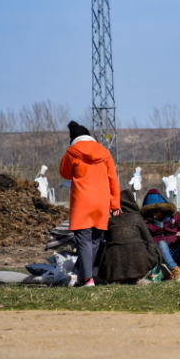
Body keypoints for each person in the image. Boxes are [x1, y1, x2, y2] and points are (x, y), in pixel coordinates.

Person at [59, 121, 121, 287]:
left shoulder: (72, 152)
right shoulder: (104, 152)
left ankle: (87, 279)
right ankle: (84, 277)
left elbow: (64, 173)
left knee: (83, 240)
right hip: (101, 202)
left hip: (82, 202)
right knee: (94, 240)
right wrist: (115, 204)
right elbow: (113, 180)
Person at [97, 189, 161, 284]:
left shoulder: (111, 221)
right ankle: (140, 276)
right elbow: (150, 241)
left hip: (114, 266)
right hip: (139, 261)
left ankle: (120, 278)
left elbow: (106, 242)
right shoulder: (137, 218)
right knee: (154, 248)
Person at [141, 189, 180, 280]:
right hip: (160, 255)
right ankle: (175, 270)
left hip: (176, 251)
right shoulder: (146, 223)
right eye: (150, 212)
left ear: (162, 208)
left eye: (155, 211)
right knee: (161, 244)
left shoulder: (176, 216)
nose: (154, 216)